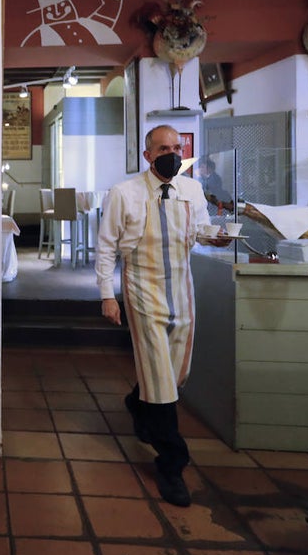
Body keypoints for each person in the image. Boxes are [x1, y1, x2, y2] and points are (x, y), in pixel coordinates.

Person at [95, 124, 230, 508]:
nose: (171, 154)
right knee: (159, 373)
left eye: (176, 148)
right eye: (163, 149)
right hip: (142, 289)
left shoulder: (192, 190)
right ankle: (172, 462)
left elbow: (200, 230)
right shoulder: (125, 193)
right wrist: (107, 295)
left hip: (182, 289)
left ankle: (139, 402)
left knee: (176, 372)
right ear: (148, 155)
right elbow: (106, 247)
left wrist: (216, 236)